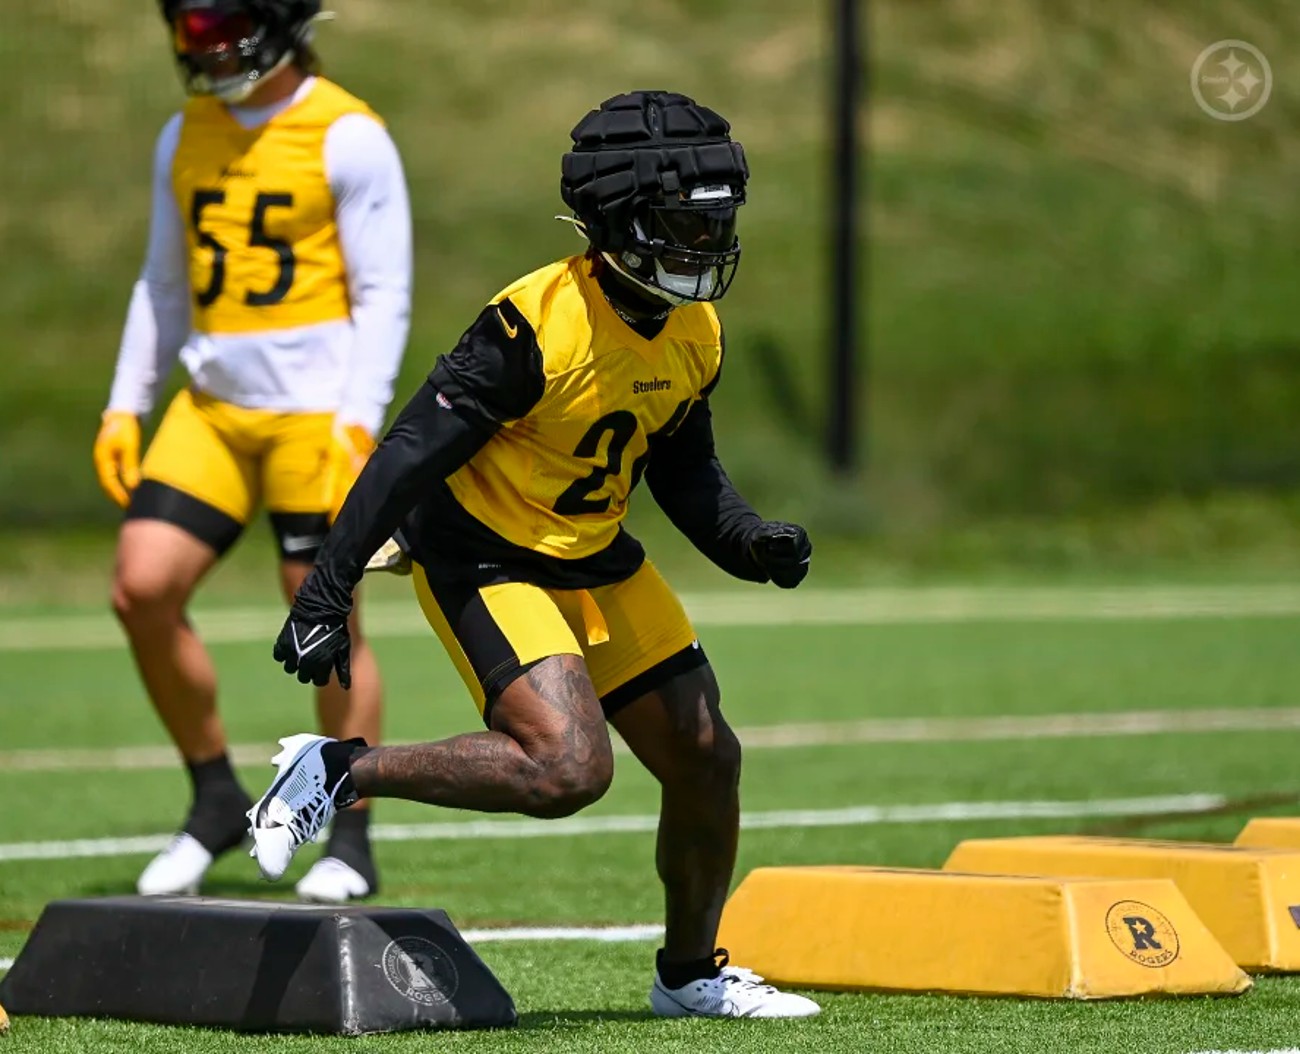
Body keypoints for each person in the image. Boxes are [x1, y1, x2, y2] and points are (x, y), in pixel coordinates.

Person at [247, 90, 819, 1018]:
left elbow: (682, 467)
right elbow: (406, 456)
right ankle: (336, 770)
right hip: (486, 555)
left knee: (708, 755)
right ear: (619, 225)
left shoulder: (694, 330)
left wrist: (747, 539)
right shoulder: (530, 325)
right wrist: (324, 592)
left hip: (594, 554)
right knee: (566, 771)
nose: (701, 248)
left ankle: (689, 975)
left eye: (714, 225)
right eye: (680, 225)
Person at [93, 0, 411, 903]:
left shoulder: (347, 134)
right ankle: (214, 799)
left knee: (325, 620)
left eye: (218, 22)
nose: (204, 44)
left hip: (316, 414)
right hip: (215, 410)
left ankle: (348, 835)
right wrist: (127, 406)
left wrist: (359, 422)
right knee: (141, 587)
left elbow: (383, 293)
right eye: (190, 25)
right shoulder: (185, 132)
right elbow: (163, 280)